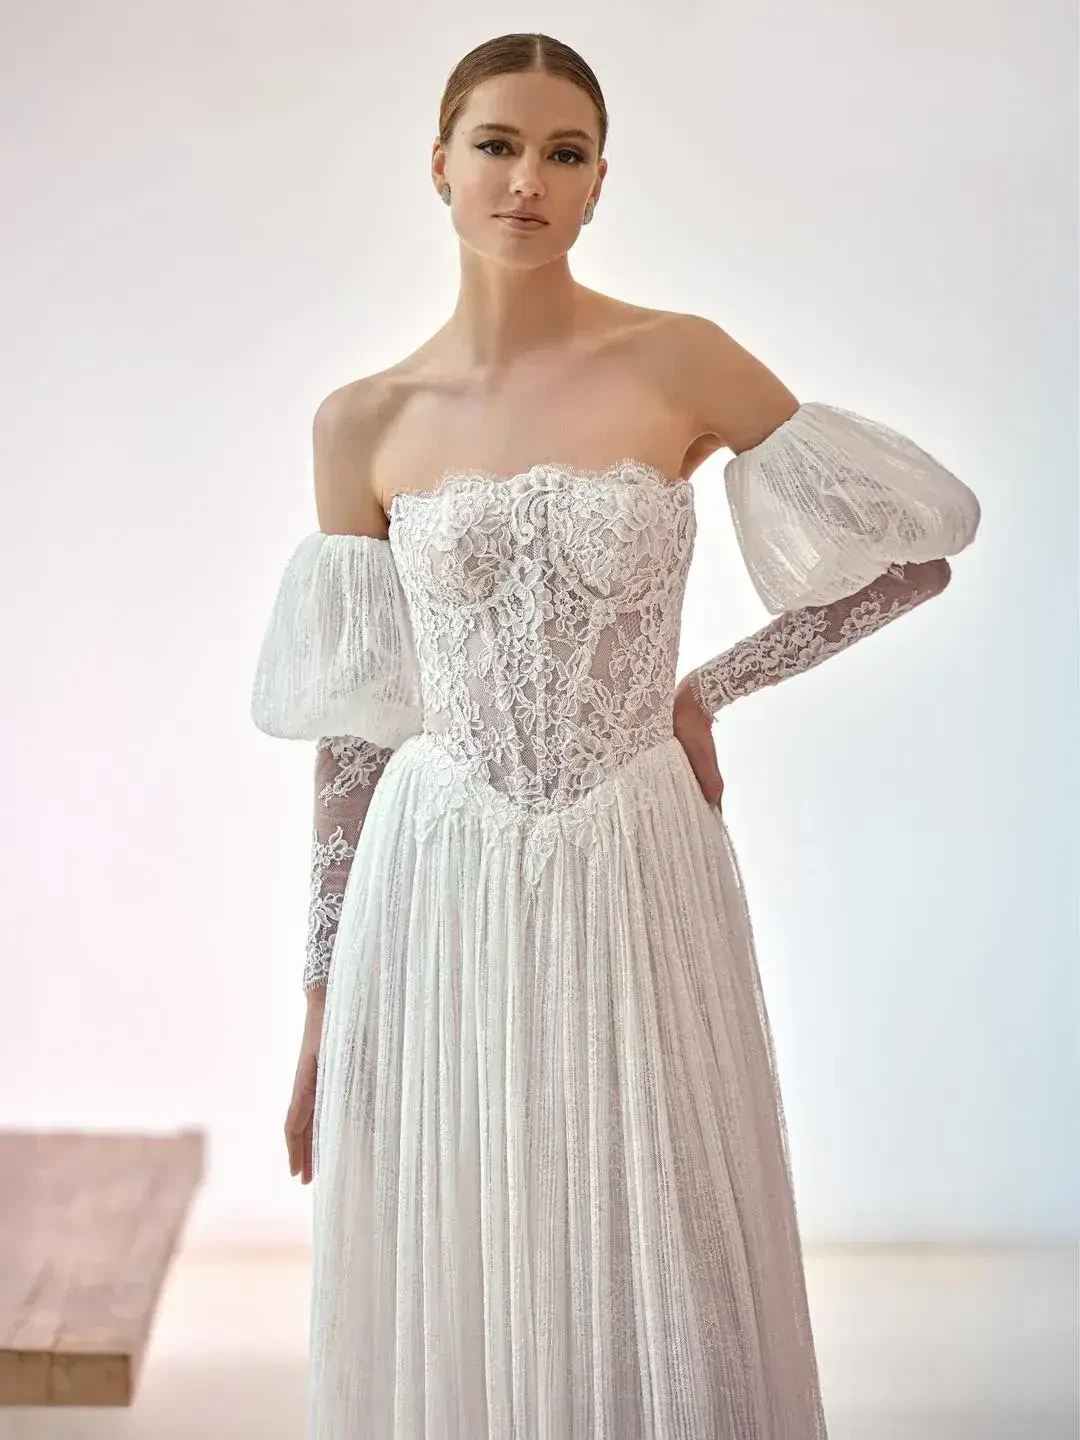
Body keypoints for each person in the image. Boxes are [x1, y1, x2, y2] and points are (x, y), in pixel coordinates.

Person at [249, 31, 982, 1440]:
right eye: (500, 144)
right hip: (439, 872)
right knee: (467, 1226)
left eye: (564, 152)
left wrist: (706, 687)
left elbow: (914, 553)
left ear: (597, 186)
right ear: (441, 165)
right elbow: (353, 741)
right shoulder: (361, 424)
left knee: (661, 1218)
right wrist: (320, 1010)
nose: (528, 178)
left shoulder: (680, 360)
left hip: (638, 857)